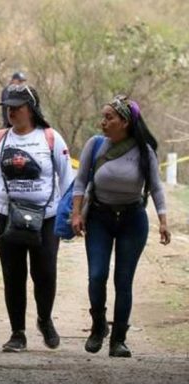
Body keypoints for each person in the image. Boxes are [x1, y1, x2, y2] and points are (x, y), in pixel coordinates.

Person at [0, 84, 73, 352]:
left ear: (31, 109)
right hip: (5, 216)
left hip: (46, 218)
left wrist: (74, 214)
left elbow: (69, 180)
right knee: (13, 274)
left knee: (44, 272)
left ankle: (45, 319)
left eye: (17, 107)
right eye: (8, 107)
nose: (11, 111)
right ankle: (17, 333)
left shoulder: (51, 138)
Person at [71, 95, 171, 358]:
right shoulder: (94, 146)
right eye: (103, 117)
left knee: (123, 280)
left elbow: (157, 188)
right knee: (97, 274)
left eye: (109, 118)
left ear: (124, 122)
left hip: (132, 220)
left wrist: (162, 220)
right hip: (100, 218)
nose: (103, 122)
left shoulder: (144, 152)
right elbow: (80, 183)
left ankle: (119, 340)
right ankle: (98, 325)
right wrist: (76, 214)